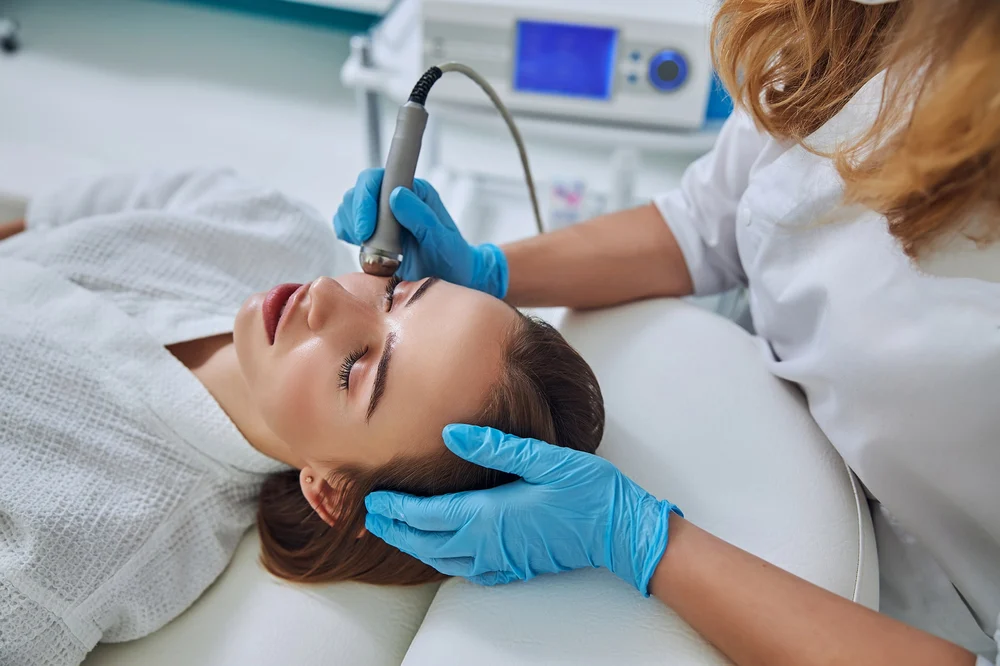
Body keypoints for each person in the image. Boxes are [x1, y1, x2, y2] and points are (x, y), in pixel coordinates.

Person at [333, 0, 1000, 664]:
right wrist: (490, 269)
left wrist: (643, 542)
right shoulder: (844, 21)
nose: (318, 307)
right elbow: (709, 223)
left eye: (355, 370)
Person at [0, 168, 604, 665]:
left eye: (354, 370)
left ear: (331, 492)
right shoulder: (271, 225)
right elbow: (52, 212)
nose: (324, 294)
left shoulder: (77, 555)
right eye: (396, 293)